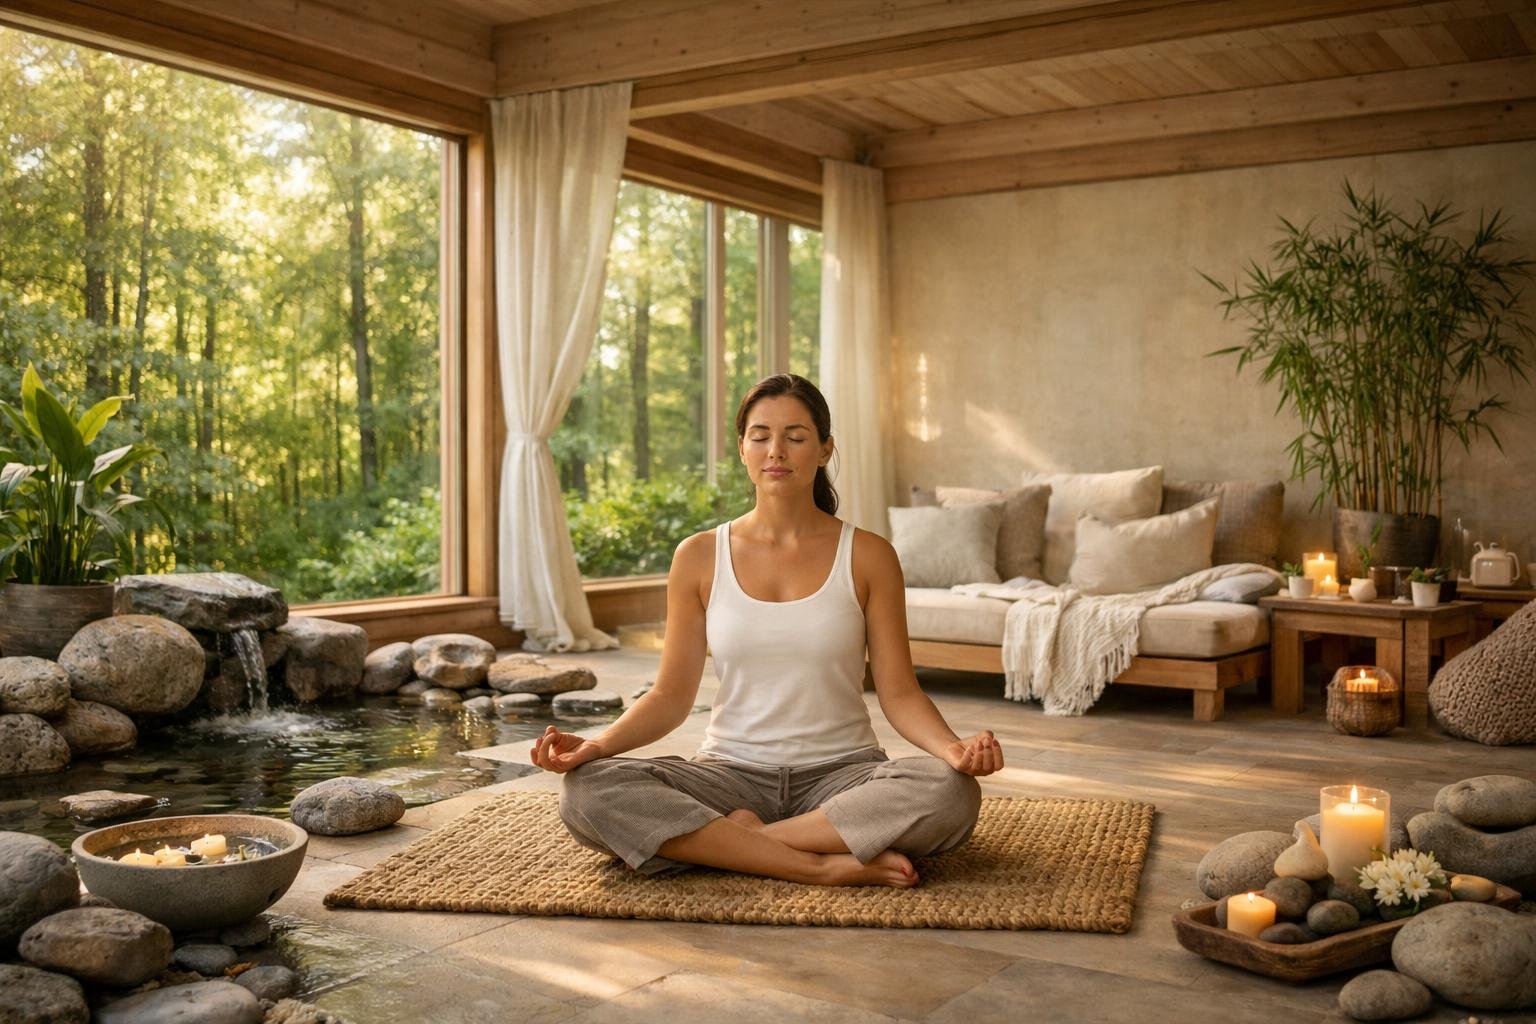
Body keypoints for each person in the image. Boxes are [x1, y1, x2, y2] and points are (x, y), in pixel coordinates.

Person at [530, 373, 1003, 888]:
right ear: (742, 448)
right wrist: (598, 746)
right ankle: (816, 863)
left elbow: (900, 693)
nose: (776, 450)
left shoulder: (869, 555)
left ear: (824, 450)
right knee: (587, 792)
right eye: (761, 436)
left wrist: (952, 750)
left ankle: (724, 845)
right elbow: (669, 695)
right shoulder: (698, 557)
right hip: (728, 775)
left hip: (843, 775)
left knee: (949, 791)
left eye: (796, 437)